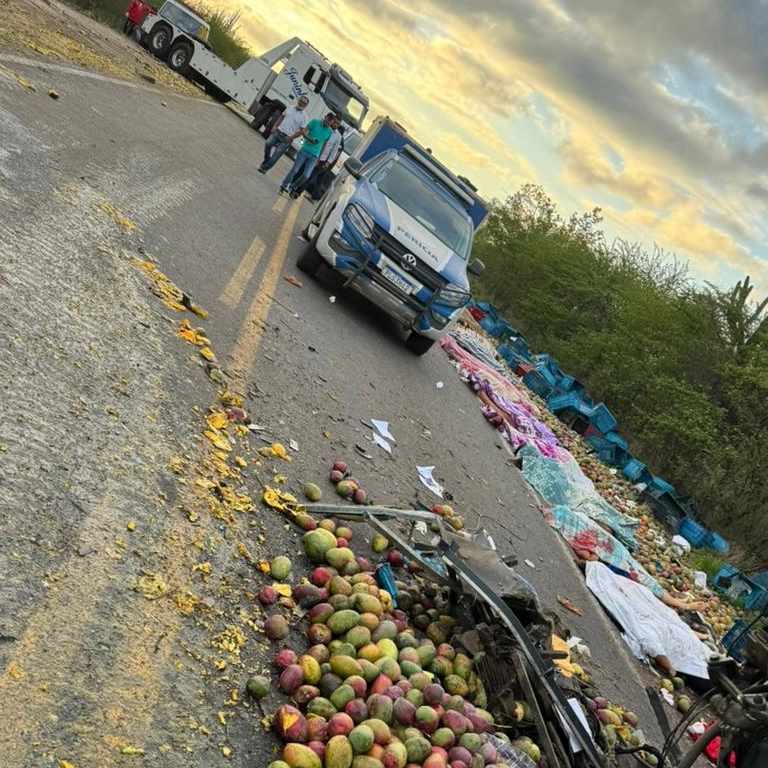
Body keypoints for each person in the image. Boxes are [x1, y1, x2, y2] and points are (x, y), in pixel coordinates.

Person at [279, 112, 333, 198]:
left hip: (314, 156)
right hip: (304, 151)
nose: (326, 123)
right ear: (325, 117)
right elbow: (303, 131)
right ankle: (283, 186)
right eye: (326, 121)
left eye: (329, 123)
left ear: (331, 123)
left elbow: (324, 144)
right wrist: (309, 139)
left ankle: (293, 186)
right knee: (295, 170)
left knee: (306, 175)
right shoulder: (315, 122)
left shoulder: (330, 132)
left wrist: (319, 157)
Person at [293, 118, 344, 200]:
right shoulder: (325, 129)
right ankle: (292, 184)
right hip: (313, 154)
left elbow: (334, 151)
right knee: (301, 170)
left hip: (322, 160)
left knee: (310, 176)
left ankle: (297, 192)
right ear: (332, 121)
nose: (335, 125)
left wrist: (328, 163)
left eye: (338, 124)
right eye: (335, 122)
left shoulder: (338, 137)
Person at [258, 95, 309, 174]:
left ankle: (264, 168)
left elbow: (301, 131)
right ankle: (266, 160)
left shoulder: (304, 117)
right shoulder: (290, 107)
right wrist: (274, 126)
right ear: (298, 100)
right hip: (278, 131)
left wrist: (291, 138)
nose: (301, 103)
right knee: (267, 144)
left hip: (287, 138)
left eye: (303, 103)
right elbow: (281, 117)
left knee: (276, 155)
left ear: (306, 105)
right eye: (300, 101)